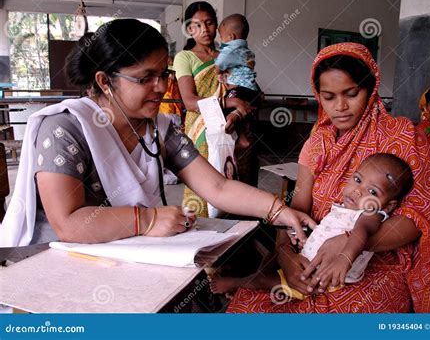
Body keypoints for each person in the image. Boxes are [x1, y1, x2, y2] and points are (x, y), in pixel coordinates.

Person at [0, 19, 315, 247]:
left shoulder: (160, 129)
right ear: (104, 81)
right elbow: (68, 224)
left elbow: (217, 186)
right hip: (58, 255)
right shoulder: (64, 129)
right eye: (145, 78)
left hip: (129, 250)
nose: (162, 87)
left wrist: (279, 210)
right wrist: (146, 220)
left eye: (164, 74)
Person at [226, 42, 430, 313]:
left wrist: (350, 245)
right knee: (250, 305)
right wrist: (286, 255)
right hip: (309, 251)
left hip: (374, 264)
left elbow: (417, 219)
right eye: (328, 97)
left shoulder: (405, 138)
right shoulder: (318, 141)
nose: (340, 107)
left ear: (371, 88)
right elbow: (298, 207)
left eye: (351, 93)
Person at [211, 153, 414, 298]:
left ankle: (237, 282)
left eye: (373, 192)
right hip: (310, 261)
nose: (358, 191)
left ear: (388, 205)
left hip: (321, 277)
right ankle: (253, 273)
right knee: (270, 259)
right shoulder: (351, 206)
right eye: (357, 180)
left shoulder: (370, 214)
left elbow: (361, 233)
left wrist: (344, 258)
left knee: (265, 281)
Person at [174, 1, 258, 217]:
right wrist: (231, 102)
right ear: (189, 29)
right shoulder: (185, 57)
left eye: (209, 23)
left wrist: (240, 105)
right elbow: (190, 101)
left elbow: (248, 87)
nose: (205, 30)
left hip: (233, 126)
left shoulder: (229, 52)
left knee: (236, 182)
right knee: (204, 187)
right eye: (197, 26)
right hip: (202, 131)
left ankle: (236, 237)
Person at [215, 13, 260, 151]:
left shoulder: (230, 50)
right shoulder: (247, 51)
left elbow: (219, 65)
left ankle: (241, 138)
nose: (221, 41)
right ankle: (242, 137)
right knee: (241, 112)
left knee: (224, 109)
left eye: (221, 37)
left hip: (240, 89)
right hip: (251, 89)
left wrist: (218, 70)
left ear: (231, 37)